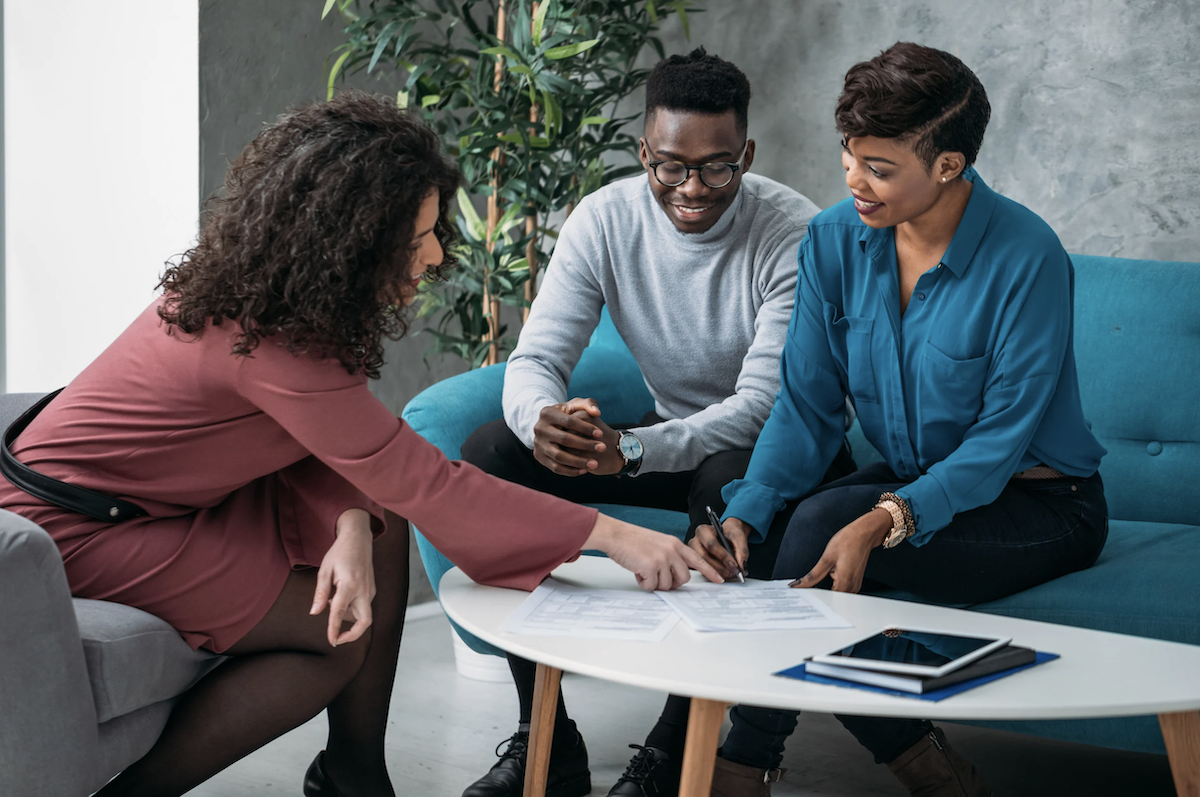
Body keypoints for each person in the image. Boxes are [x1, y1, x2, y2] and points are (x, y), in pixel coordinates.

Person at [0, 92, 721, 797]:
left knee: (378, 521)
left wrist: (348, 519)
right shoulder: (271, 346)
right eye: (419, 238)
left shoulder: (269, 300)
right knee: (338, 634)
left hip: (148, 500)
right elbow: (427, 480)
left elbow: (335, 446)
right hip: (73, 527)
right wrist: (612, 534)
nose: (437, 255)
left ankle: (354, 773)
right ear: (352, 243)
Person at [686, 43, 1109, 797]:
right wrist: (747, 509)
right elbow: (808, 407)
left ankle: (742, 762)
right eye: (849, 155)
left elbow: (998, 441)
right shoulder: (831, 241)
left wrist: (889, 515)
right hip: (914, 479)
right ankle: (928, 765)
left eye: (879, 168)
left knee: (821, 529)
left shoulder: (1028, 257)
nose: (854, 180)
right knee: (759, 517)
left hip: (1037, 502)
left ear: (949, 165)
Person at [459, 48, 853, 797]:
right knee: (488, 455)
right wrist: (543, 420)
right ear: (644, 151)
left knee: (727, 478)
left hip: (779, 455)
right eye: (670, 166)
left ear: (747, 154)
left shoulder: (792, 232)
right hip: (667, 437)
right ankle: (544, 735)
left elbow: (762, 404)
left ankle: (676, 745)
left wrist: (634, 450)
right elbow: (536, 355)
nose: (692, 189)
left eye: (716, 167)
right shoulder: (604, 218)